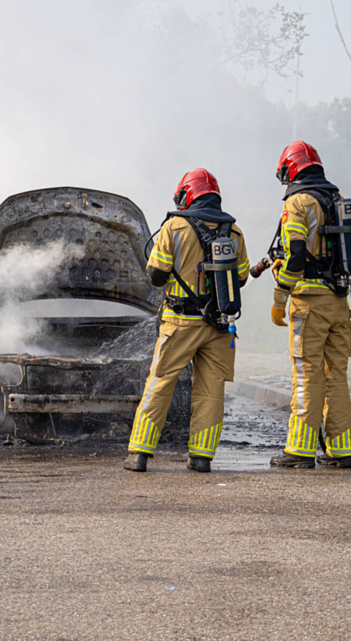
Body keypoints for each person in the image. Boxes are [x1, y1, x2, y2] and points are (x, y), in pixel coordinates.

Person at [124, 168, 250, 473]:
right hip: (219, 325)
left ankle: (139, 453)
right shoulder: (234, 232)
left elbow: (156, 276)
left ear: (187, 195)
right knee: (211, 389)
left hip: (180, 323)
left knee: (161, 382)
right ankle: (201, 457)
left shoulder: (175, 227)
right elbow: (242, 277)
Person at [268, 141, 351, 469]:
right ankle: (341, 450)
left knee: (307, 374)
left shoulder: (298, 201)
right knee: (337, 376)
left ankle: (300, 450)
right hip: (339, 301)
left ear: (290, 170)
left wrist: (280, 295)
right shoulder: (336, 198)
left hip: (309, 303)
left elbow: (296, 255)